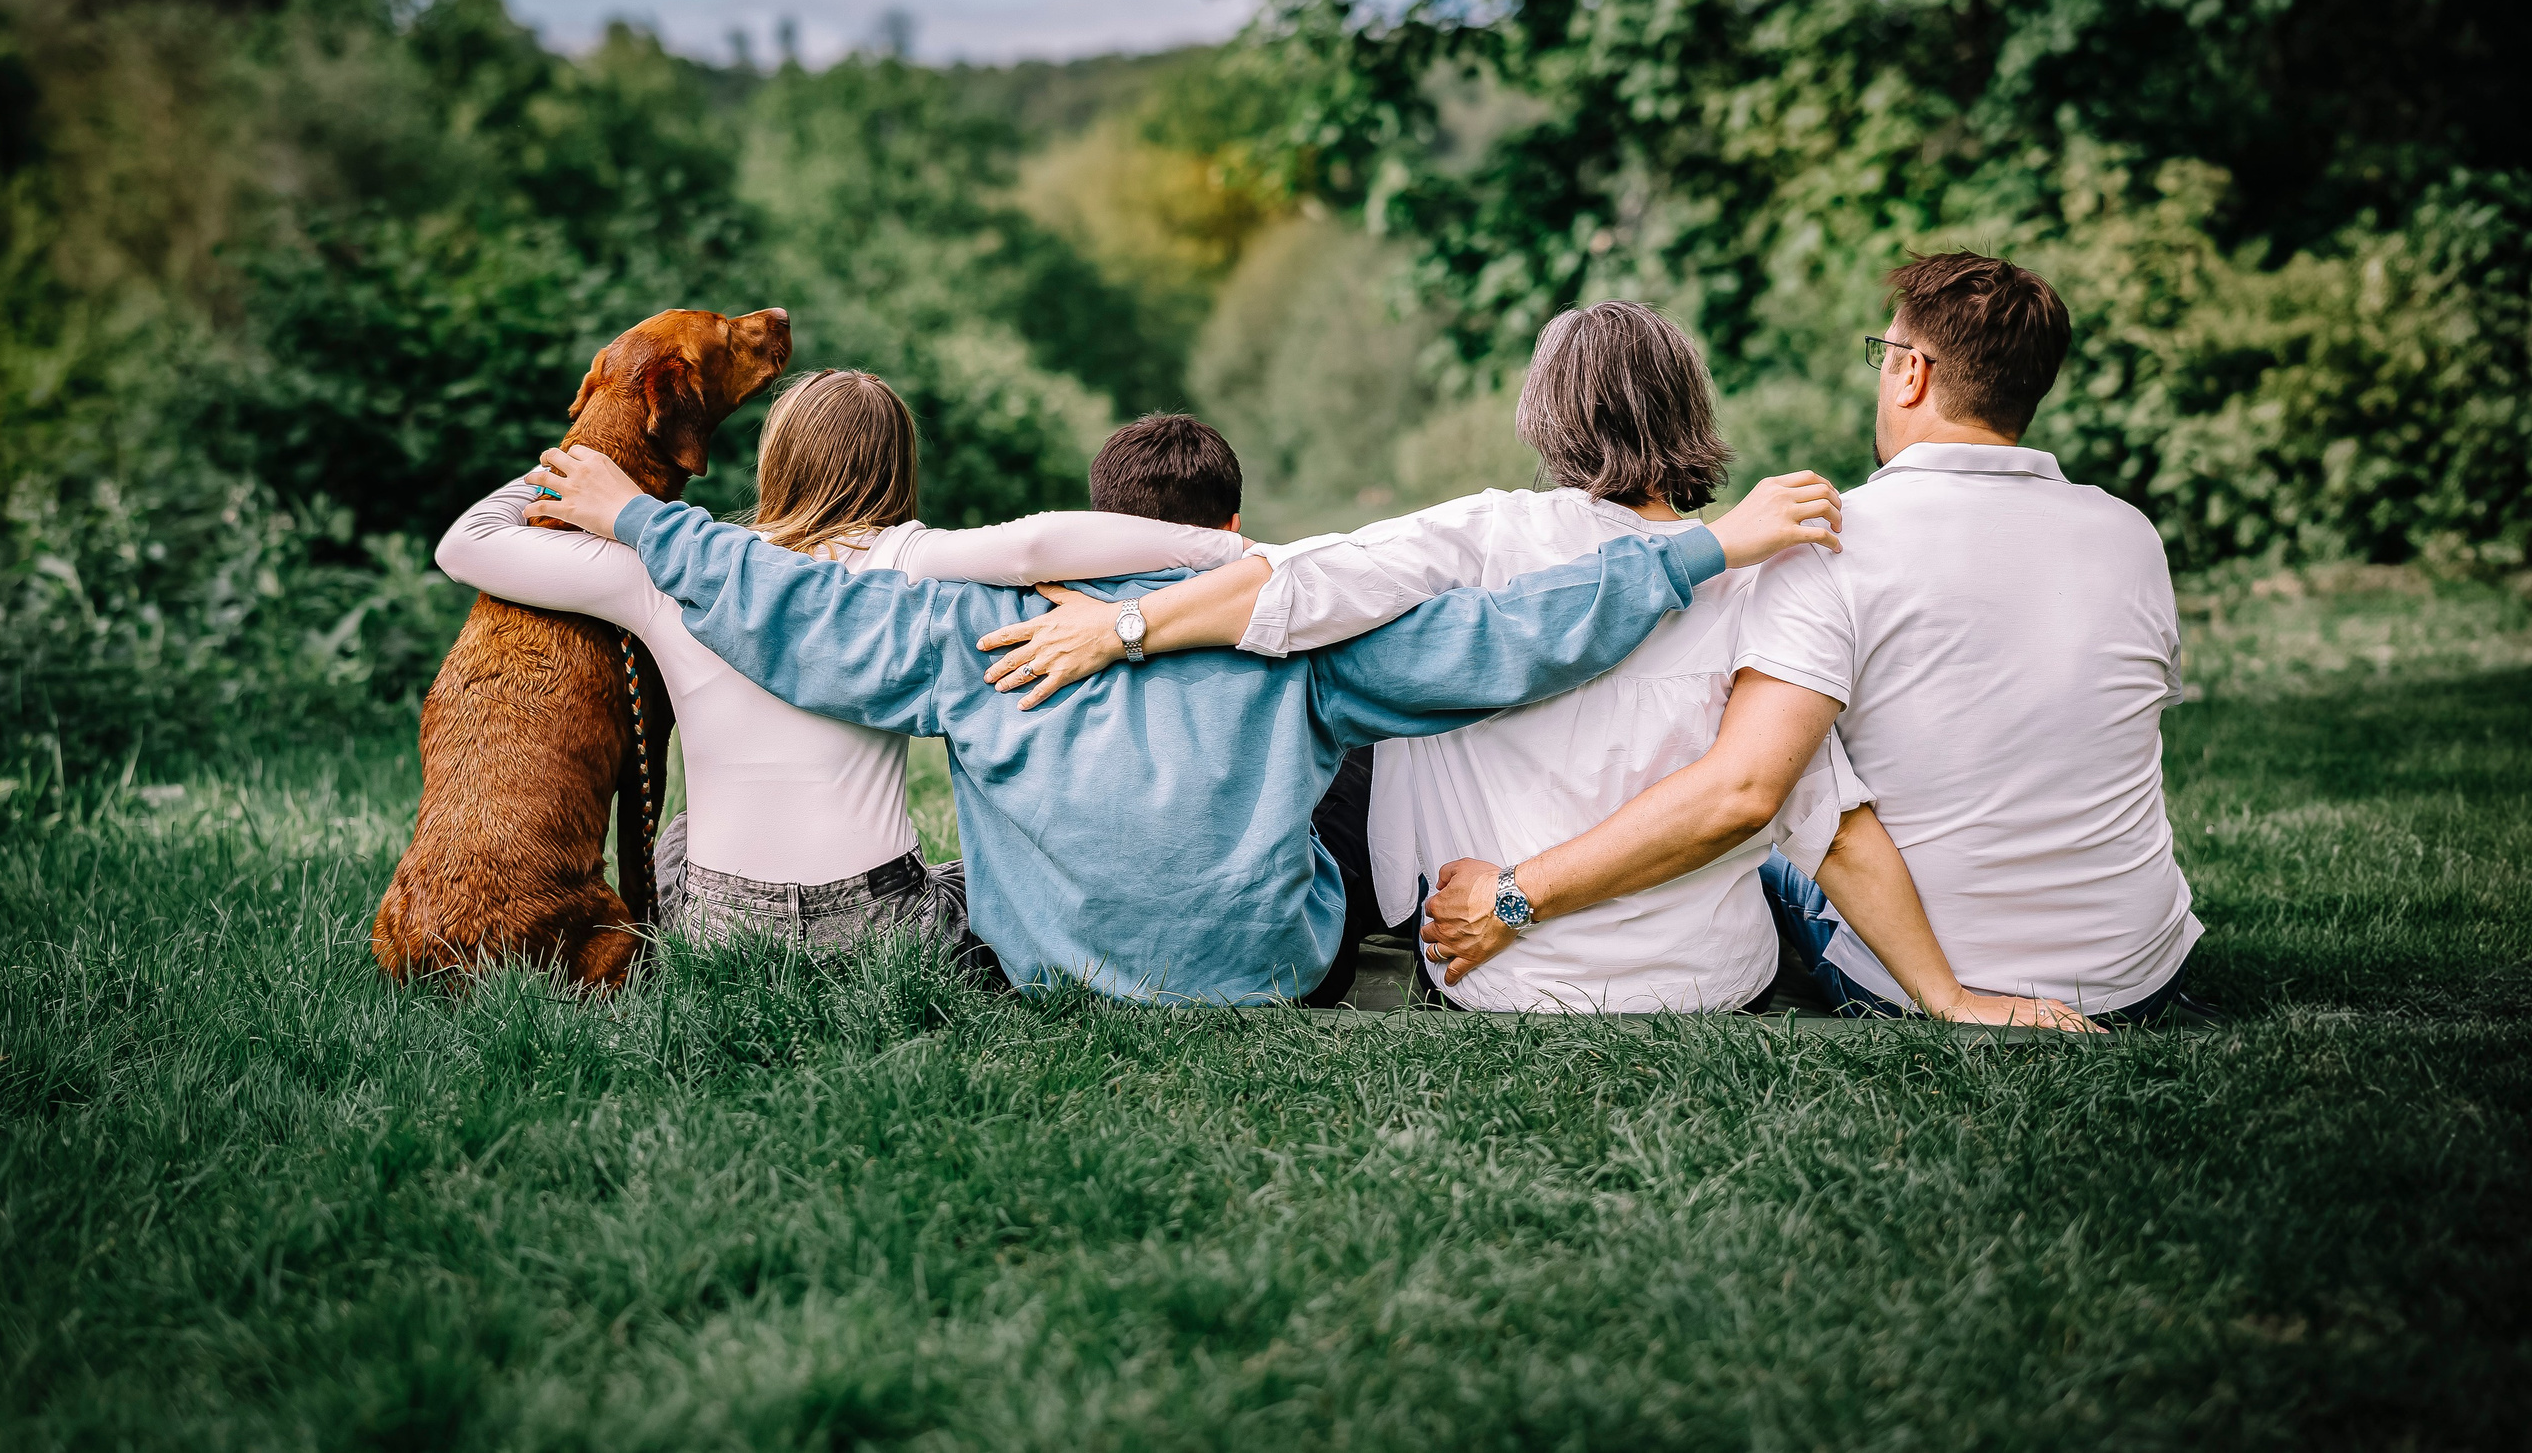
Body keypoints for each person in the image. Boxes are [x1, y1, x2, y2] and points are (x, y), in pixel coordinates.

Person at [978, 304, 2083, 1026]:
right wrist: (1947, 997)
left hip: (1495, 967)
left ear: (1544, 415)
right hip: (1714, 980)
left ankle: (1211, 922)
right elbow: (1821, 813)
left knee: (1338, 709)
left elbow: (1292, 585)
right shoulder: (1759, 575)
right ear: (1690, 412)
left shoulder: (1483, 535)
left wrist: (1120, 627)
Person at [520, 412, 1844, 1005]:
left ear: (1091, 521)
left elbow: (794, 611)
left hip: (1052, 976)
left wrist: (638, 518)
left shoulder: (981, 627)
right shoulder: (1299, 635)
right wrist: (1702, 549)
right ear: (1233, 531)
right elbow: (1508, 640)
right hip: (1272, 973)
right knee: (1364, 740)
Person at [1420, 252, 2206, 1026]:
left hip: (1919, 979)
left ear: (1912, 373)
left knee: (1761, 843)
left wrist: (1514, 892)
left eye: (1883, 352)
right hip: (2136, 972)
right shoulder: (2132, 537)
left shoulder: (1833, 539)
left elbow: (1744, 795)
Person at [436, 369, 1245, 960]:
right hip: (879, 926)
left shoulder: (675, 564)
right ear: (899, 467)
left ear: (773, 460)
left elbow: (464, 543)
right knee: (989, 876)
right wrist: (1230, 548)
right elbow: (1038, 543)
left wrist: (590, 459)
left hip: (719, 923)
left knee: (681, 839)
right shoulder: (914, 558)